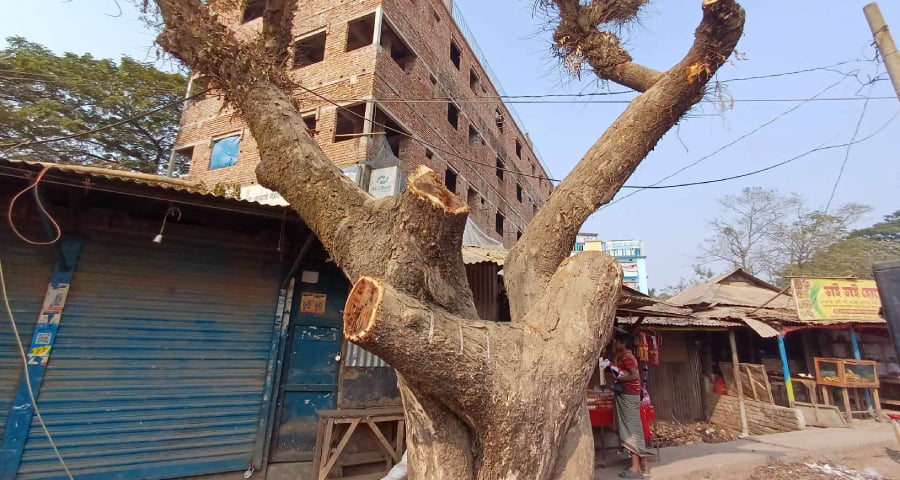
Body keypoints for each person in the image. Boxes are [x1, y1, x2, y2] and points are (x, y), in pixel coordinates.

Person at [612, 330, 648, 479]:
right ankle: (641, 466)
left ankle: (636, 468)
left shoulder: (628, 357)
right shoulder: (623, 357)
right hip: (627, 395)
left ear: (622, 343)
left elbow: (634, 375)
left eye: (617, 342)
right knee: (631, 428)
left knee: (632, 430)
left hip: (629, 395)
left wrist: (619, 379)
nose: (615, 344)